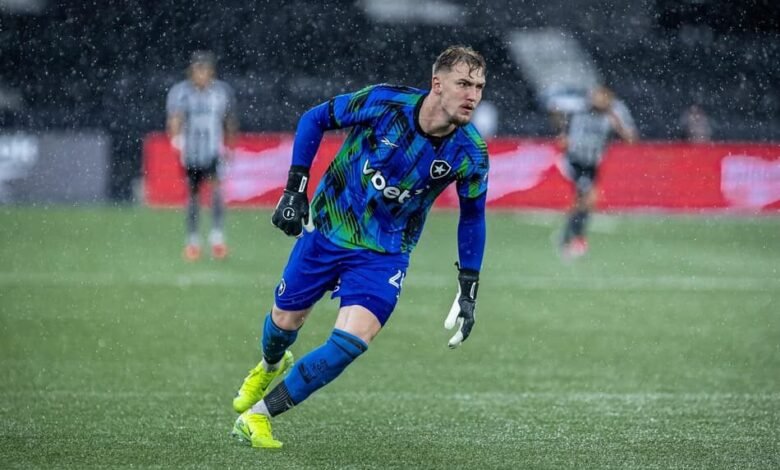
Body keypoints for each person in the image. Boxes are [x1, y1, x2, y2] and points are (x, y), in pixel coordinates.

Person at [230, 45, 490, 449]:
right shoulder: (385, 103)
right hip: (328, 228)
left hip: (385, 252)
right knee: (284, 322)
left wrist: (469, 285)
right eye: (463, 84)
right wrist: (295, 189)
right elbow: (314, 119)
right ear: (437, 84)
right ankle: (270, 363)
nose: (472, 95)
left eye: (479, 87)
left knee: (351, 342)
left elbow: (472, 217)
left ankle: (258, 416)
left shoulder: (471, 152)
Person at [166, 50, 238, 261]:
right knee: (193, 195)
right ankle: (193, 241)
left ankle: (217, 239)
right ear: (191, 71)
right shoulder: (181, 92)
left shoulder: (221, 92)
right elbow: (175, 119)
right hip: (192, 153)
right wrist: (176, 140)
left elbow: (229, 120)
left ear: (211, 72)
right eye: (198, 70)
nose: (201, 74)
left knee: (216, 192)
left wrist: (230, 146)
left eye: (205, 70)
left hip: (213, 151)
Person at [556, 85, 637, 259]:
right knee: (589, 198)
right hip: (574, 161)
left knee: (583, 202)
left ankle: (566, 237)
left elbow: (631, 139)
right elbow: (561, 129)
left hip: (591, 165)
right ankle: (577, 240)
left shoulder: (612, 116)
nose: (598, 100)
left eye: (603, 97)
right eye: (596, 96)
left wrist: (618, 124)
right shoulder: (579, 112)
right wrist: (565, 137)